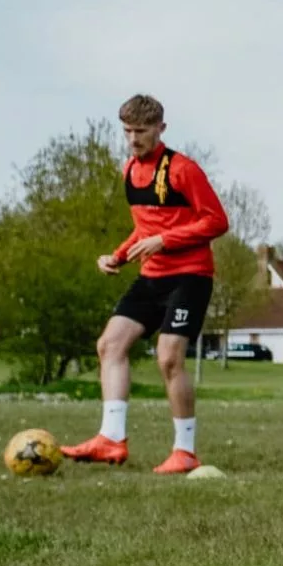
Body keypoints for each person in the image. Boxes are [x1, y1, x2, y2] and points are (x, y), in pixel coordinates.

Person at [61, 94, 229, 474]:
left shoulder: (183, 170)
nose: (134, 139)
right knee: (109, 344)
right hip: (150, 278)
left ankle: (184, 451)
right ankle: (111, 439)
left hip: (189, 277)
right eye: (127, 131)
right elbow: (144, 228)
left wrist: (166, 241)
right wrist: (118, 256)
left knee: (168, 357)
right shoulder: (129, 171)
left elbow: (217, 221)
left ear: (160, 129)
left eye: (141, 131)